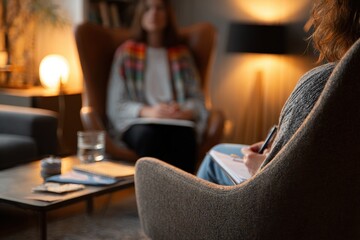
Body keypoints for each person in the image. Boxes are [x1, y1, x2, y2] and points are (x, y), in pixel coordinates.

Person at [197, 0, 360, 185]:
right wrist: (277, 147)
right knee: (222, 149)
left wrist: (262, 165)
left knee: (214, 159)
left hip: (291, 199)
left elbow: (284, 179)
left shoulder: (322, 84)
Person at [106, 0, 208, 173]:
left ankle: (186, 198)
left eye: (159, 8)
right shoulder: (126, 53)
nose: (154, 13)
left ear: (168, 14)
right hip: (140, 122)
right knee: (149, 138)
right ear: (141, 15)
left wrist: (184, 111)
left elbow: (197, 99)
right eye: (148, 8)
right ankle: (152, 199)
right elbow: (116, 104)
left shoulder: (182, 55)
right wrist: (148, 111)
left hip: (177, 121)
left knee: (185, 138)